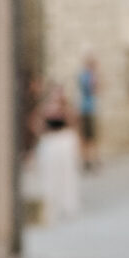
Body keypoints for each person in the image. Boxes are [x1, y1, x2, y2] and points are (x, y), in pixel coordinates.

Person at [32, 81, 81, 224]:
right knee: (50, 175)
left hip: (63, 142)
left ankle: (67, 204)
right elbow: (35, 122)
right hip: (51, 143)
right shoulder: (44, 109)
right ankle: (51, 204)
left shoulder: (66, 109)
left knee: (66, 174)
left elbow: (74, 123)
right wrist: (42, 133)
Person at [74, 52, 101, 171]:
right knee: (87, 136)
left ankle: (90, 159)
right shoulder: (86, 76)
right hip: (86, 109)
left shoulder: (87, 75)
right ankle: (87, 160)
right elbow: (94, 89)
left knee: (90, 136)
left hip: (90, 108)